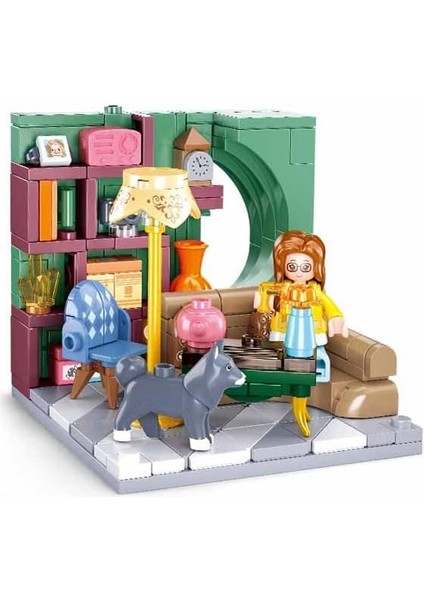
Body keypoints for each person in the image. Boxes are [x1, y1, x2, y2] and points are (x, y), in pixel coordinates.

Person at [256, 230, 348, 382]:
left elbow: (328, 303)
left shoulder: (315, 291)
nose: (298, 273)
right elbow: (264, 296)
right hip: (284, 330)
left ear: (316, 267)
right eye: (292, 267)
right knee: (280, 352)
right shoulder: (281, 288)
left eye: (305, 267)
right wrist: (264, 301)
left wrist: (335, 317)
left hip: (311, 332)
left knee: (313, 354)